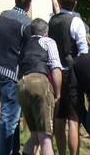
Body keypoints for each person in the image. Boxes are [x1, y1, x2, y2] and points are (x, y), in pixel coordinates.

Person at [0, 0, 33, 155]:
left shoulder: (3, 15)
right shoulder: (26, 24)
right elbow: (28, 50)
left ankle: (14, 151)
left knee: (12, 115)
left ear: (15, 0)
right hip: (11, 74)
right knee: (9, 119)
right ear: (29, 5)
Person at [48, 0, 89, 155]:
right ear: (75, 4)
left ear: (59, 3)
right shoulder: (76, 22)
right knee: (73, 119)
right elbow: (83, 50)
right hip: (71, 73)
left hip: (54, 71)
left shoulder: (51, 20)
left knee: (59, 116)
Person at [16, 18, 63, 155]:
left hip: (21, 85)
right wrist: (58, 93)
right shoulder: (48, 42)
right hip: (39, 83)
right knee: (46, 138)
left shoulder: (25, 44)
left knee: (35, 137)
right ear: (46, 33)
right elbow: (55, 67)